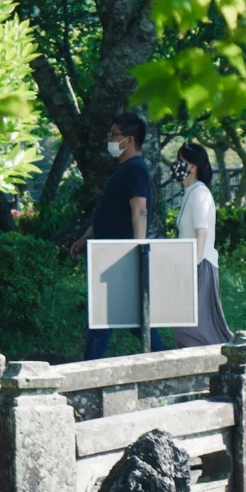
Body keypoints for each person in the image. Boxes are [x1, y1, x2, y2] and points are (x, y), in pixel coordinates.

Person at [73, 112, 153, 359]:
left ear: (129, 140)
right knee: (132, 319)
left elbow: (139, 210)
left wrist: (138, 250)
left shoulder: (136, 169)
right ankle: (162, 361)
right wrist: (84, 238)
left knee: (105, 319)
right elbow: (107, 214)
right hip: (107, 253)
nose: (109, 138)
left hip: (117, 257)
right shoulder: (123, 170)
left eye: (113, 134)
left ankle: (89, 372)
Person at [167, 141, 234, 347]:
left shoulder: (200, 193)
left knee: (191, 329)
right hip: (191, 266)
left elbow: (201, 232)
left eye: (180, 160)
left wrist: (193, 268)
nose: (175, 164)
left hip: (199, 265)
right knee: (189, 326)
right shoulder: (190, 192)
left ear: (192, 167)